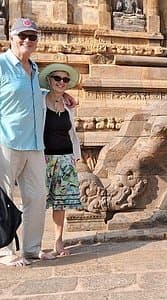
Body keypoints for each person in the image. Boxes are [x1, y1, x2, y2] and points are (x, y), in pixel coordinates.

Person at [0, 18, 76, 266]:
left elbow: (34, 96)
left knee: (38, 196)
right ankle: (5, 251)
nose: (27, 41)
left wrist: (62, 94)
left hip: (34, 144)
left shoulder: (33, 70)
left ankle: (31, 249)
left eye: (32, 37)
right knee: (4, 195)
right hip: (7, 141)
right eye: (22, 36)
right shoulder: (2, 66)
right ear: (11, 37)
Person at [39, 63, 82, 256]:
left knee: (60, 202)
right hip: (43, 158)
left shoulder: (67, 106)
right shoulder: (39, 99)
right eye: (57, 78)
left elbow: (72, 133)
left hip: (65, 158)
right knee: (38, 200)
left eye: (65, 80)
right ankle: (35, 242)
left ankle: (58, 240)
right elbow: (30, 88)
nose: (61, 82)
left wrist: (75, 157)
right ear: (49, 80)